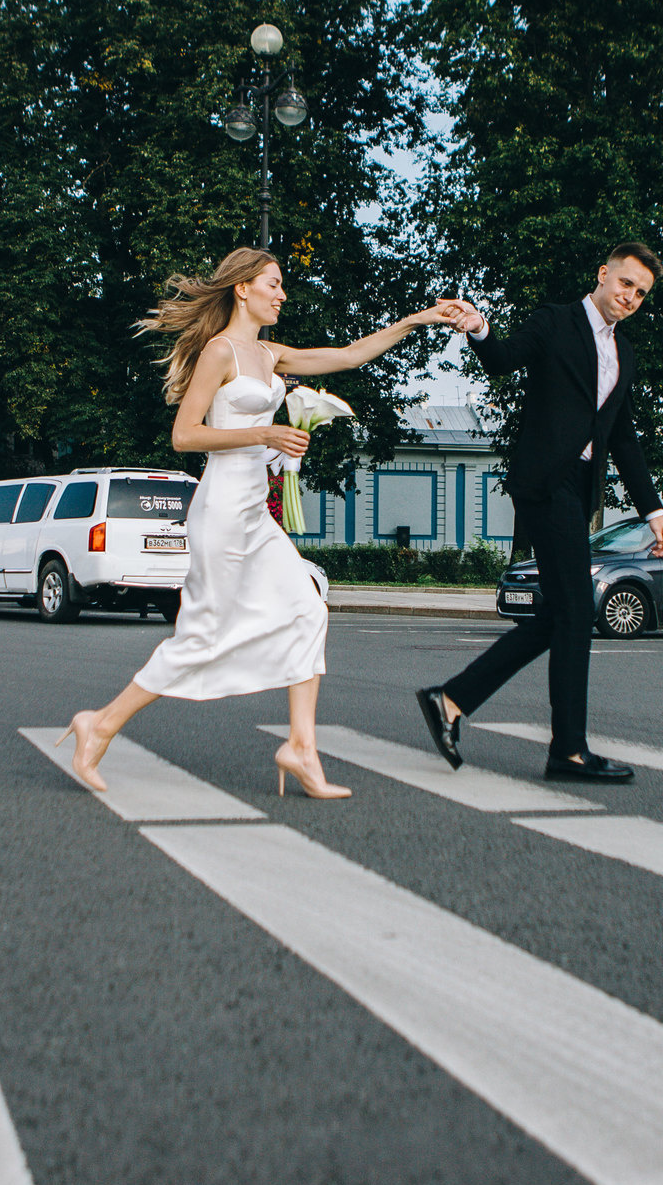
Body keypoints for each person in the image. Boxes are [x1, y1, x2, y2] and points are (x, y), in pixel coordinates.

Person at [57, 248, 460, 799]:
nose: (282, 294)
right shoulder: (220, 352)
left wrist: (417, 320)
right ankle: (98, 724)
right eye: (273, 284)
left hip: (253, 512)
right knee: (201, 636)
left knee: (307, 607)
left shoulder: (270, 354)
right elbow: (185, 436)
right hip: (220, 512)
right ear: (243, 288)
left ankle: (301, 747)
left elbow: (347, 356)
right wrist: (264, 435)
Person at [418, 244, 663, 782]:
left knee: (560, 616)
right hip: (544, 482)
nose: (630, 297)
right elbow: (505, 357)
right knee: (578, 612)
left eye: (640, 293)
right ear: (602, 274)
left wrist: (653, 512)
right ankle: (569, 751)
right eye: (625, 283)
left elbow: (622, 437)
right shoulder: (556, 322)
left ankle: (453, 699)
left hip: (578, 490)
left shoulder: (624, 352)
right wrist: (479, 327)